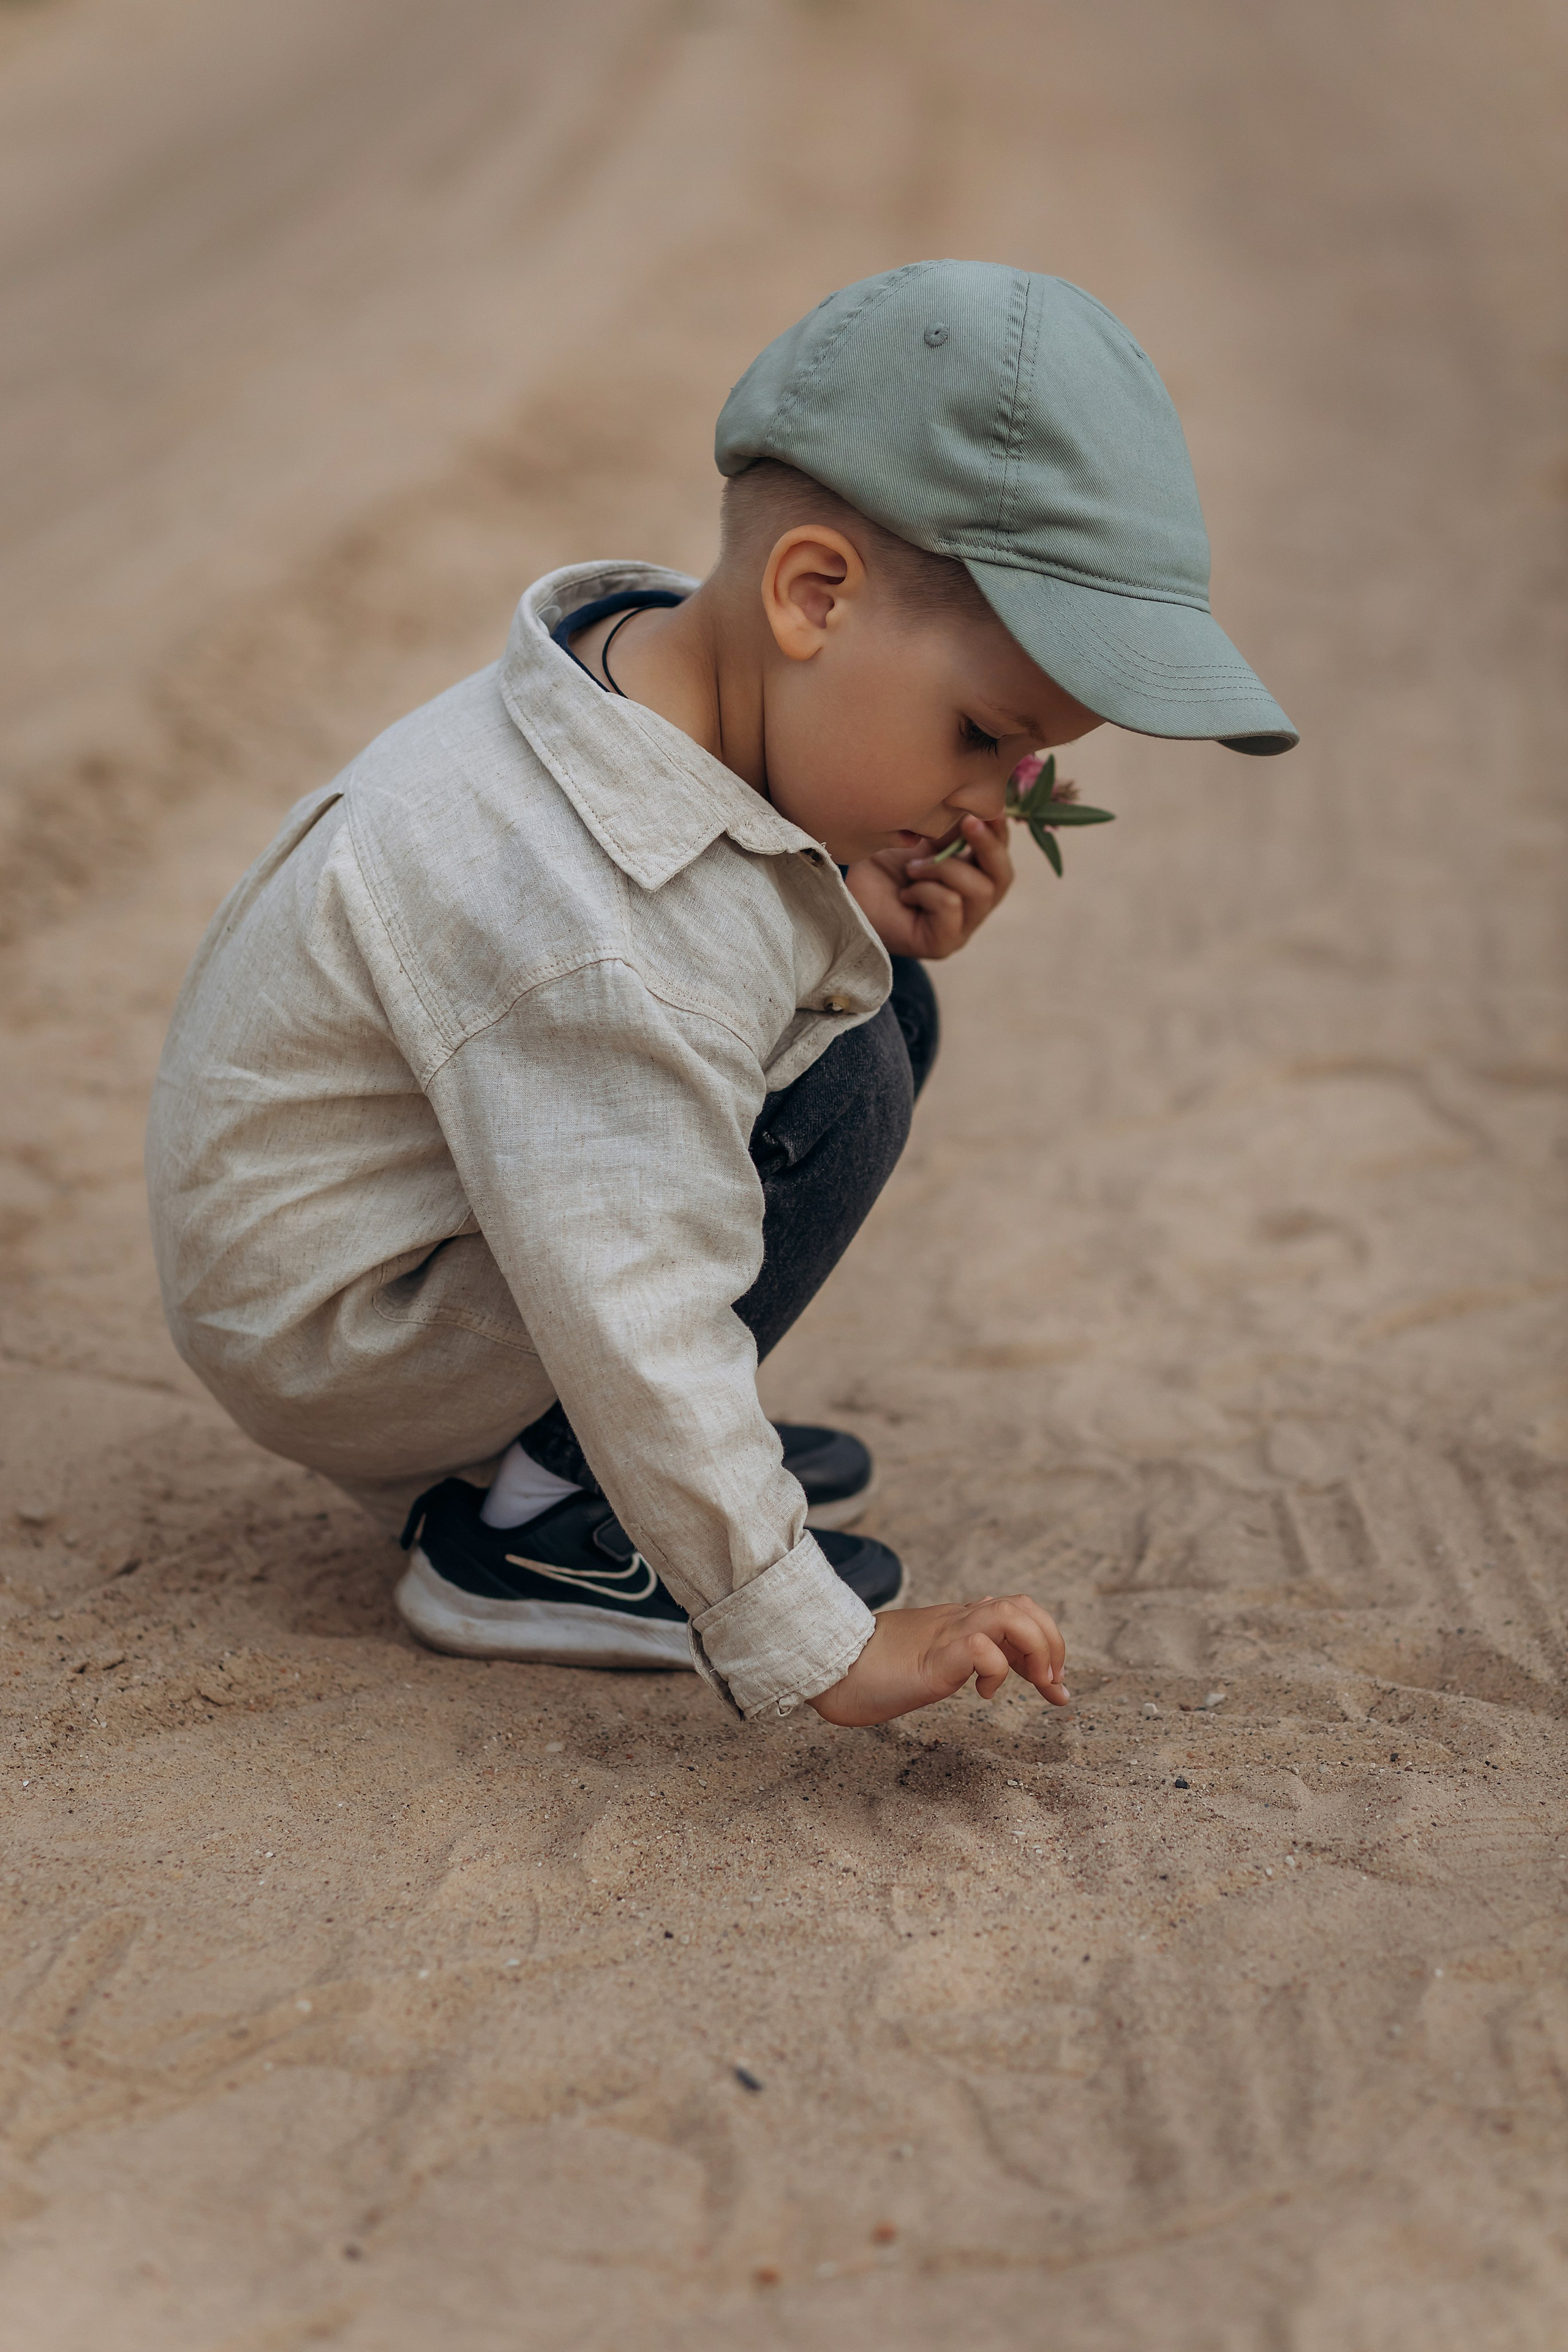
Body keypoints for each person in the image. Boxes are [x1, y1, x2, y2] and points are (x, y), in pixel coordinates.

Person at [146, 261, 1295, 1728]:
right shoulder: (595, 917)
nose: (987, 797)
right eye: (979, 735)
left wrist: (846, 897)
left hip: (386, 1240)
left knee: (871, 994)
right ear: (811, 593)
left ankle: (563, 1453)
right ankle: (538, 1531)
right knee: (850, 1066)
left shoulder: (636, 674)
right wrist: (806, 1631)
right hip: (349, 1331)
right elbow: (630, 1271)